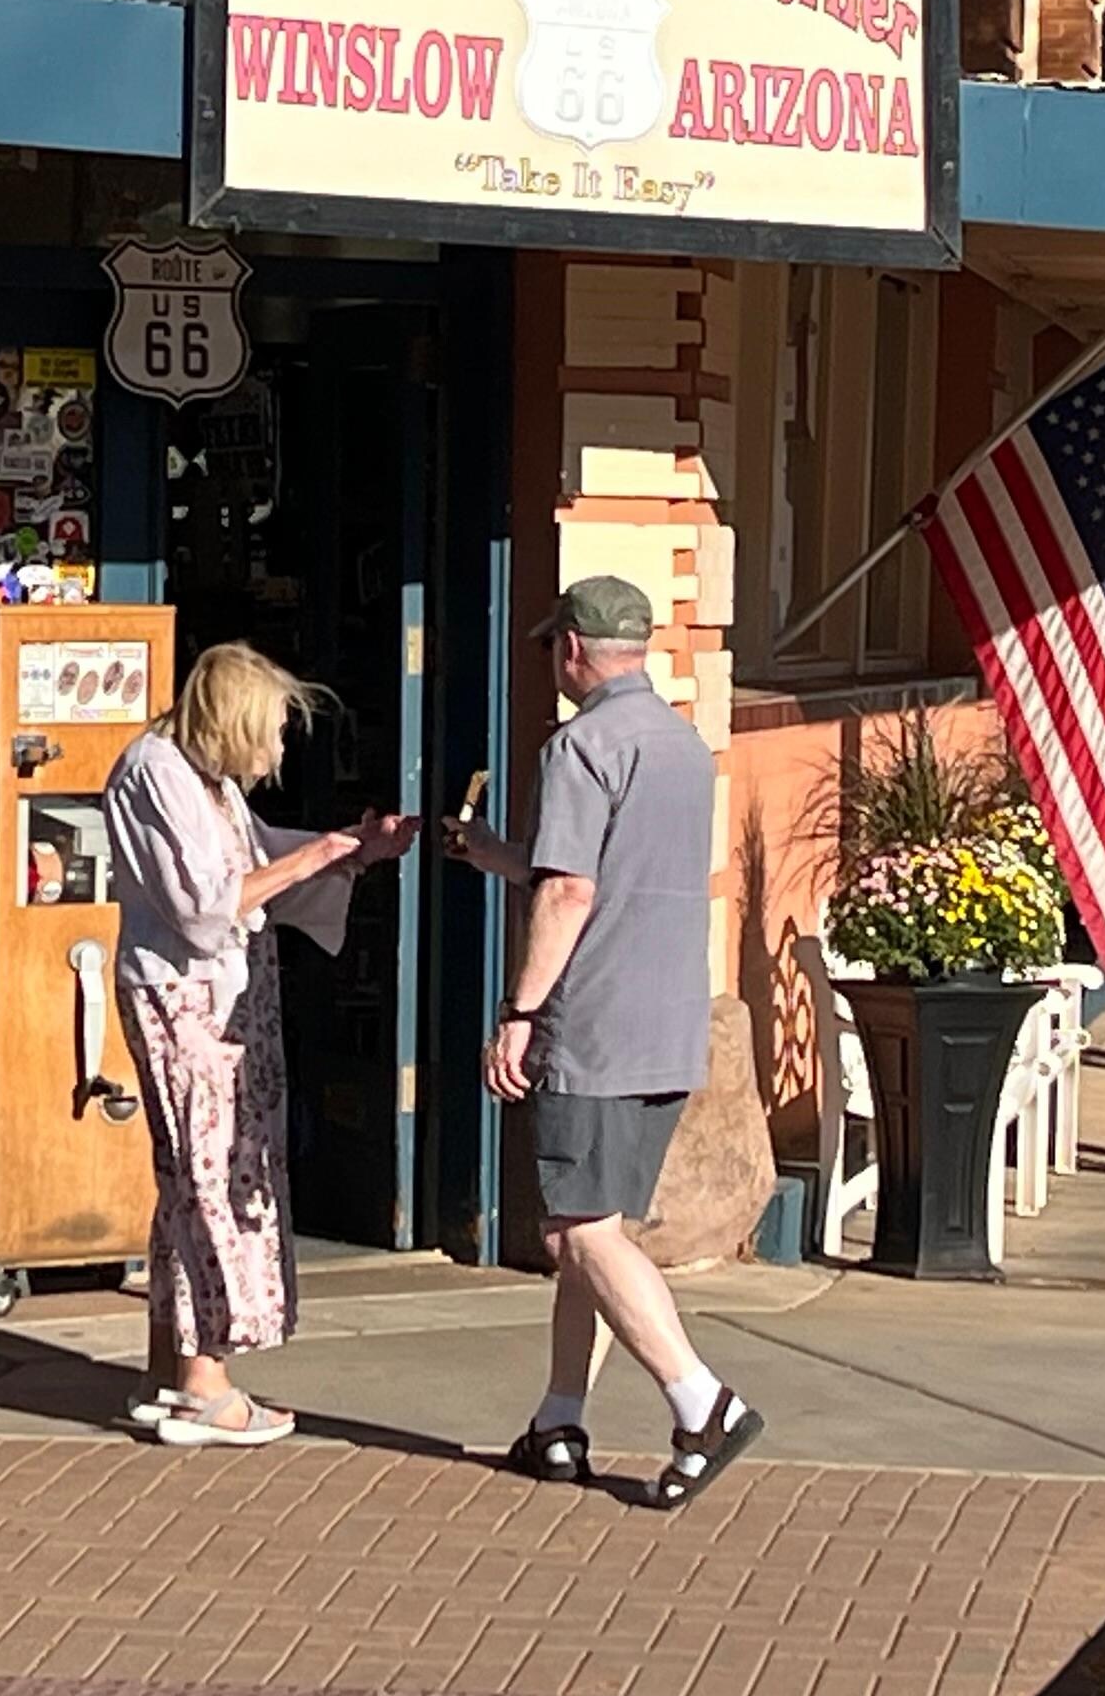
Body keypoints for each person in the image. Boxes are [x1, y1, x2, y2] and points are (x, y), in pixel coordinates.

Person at [447, 574, 766, 1509]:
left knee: (576, 1228)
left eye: (554, 646)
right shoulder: (683, 747)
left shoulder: (579, 746)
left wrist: (519, 1012)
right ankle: (559, 1419)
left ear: (573, 648)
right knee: (595, 1227)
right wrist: (495, 854)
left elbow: (571, 893)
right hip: (669, 1020)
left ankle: (701, 1401)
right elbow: (596, 873)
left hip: (593, 1022)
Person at [102, 641, 412, 1447]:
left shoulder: (206, 781)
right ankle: (206, 1384)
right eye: (271, 730)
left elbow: (252, 858)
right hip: (187, 998)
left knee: (199, 1177)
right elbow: (205, 906)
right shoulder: (157, 772)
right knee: (211, 1177)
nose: (276, 749)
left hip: (225, 996)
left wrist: (350, 848)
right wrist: (313, 856)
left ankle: (169, 1372)